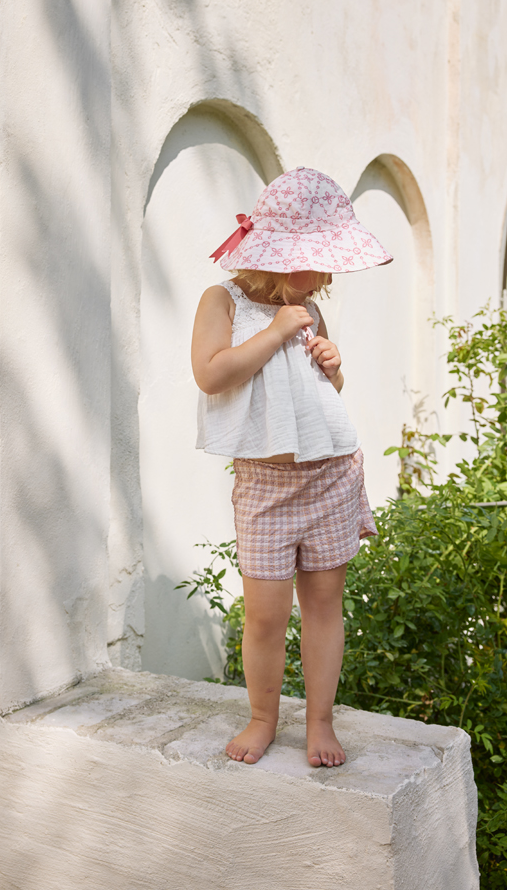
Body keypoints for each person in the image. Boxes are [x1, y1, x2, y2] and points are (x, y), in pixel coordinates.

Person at [191, 166, 392, 768]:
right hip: (266, 485)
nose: (325, 278)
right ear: (278, 257)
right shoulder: (222, 301)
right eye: (317, 263)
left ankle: (321, 723)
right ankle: (262, 717)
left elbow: (316, 397)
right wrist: (277, 331)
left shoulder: (308, 309)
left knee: (325, 604)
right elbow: (211, 374)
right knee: (265, 614)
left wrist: (331, 366)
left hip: (329, 474)